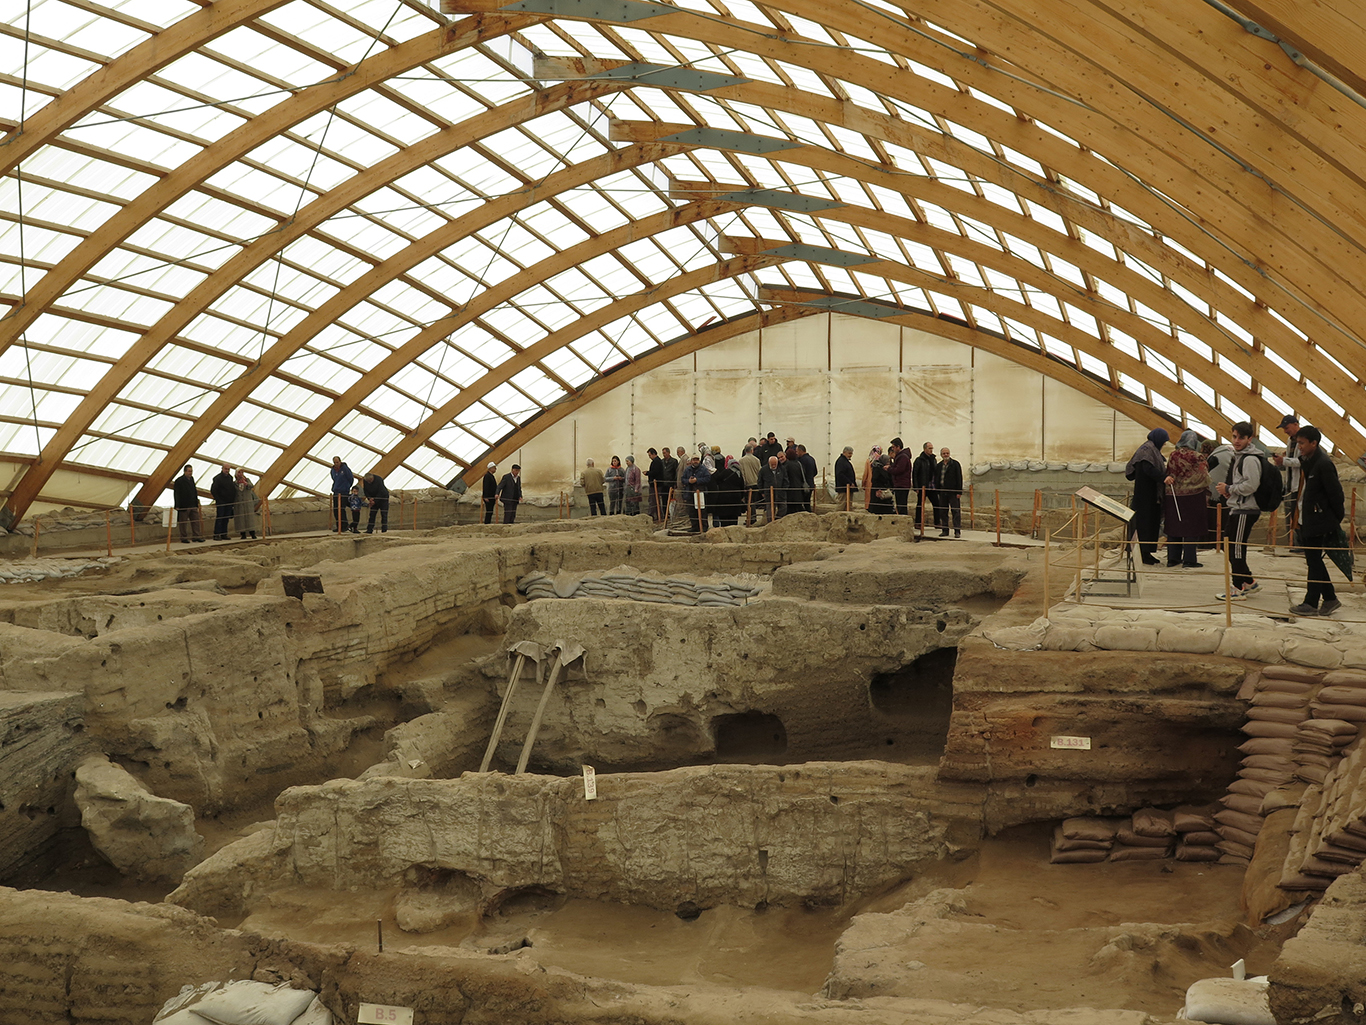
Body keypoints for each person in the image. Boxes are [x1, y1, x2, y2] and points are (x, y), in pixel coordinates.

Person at [1289, 426, 1344, 617]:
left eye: (1302, 443)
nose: (1299, 447)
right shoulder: (1309, 461)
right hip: (1309, 518)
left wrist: (1335, 518)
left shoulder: (1323, 464)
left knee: (1314, 561)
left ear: (1314, 443)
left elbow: (1336, 494)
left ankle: (1311, 602)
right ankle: (1329, 598)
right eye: (1298, 443)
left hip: (1319, 520)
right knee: (1313, 561)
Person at [1214, 421, 1262, 601]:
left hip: (1246, 509)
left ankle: (1237, 587)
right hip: (1239, 507)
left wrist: (1230, 488)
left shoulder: (1249, 459)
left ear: (1250, 439)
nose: (1237, 440)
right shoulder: (1240, 456)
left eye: (1241, 437)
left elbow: (1251, 484)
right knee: (1230, 545)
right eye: (1234, 436)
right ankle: (1248, 581)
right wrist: (1230, 492)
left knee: (1236, 549)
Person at [1162, 430, 1209, 567]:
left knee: (1174, 526)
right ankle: (1189, 560)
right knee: (1191, 527)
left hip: (1173, 496)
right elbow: (1205, 476)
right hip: (1193, 497)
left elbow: (1169, 472)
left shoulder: (1173, 455)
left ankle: (1173, 559)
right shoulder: (1197, 456)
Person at [1126, 428, 1169, 565]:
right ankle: (1142, 554)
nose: (1164, 445)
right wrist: (1164, 478)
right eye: (1164, 441)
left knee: (1151, 524)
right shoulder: (1146, 450)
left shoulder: (1151, 449)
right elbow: (1148, 469)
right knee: (1144, 524)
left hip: (1151, 495)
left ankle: (1147, 553)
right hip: (1144, 496)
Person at [1272, 414, 1301, 543]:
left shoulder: (1303, 440)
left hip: (1299, 484)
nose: (1285, 431)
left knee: (1297, 515)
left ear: (1296, 425)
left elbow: (1301, 461)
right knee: (1289, 514)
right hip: (1290, 484)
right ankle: (1293, 542)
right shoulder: (1290, 440)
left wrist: (1284, 460)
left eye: (1287, 427)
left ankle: (1300, 543)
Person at [934, 447, 964, 537]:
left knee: (955, 511)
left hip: (953, 492)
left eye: (947, 453)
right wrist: (937, 489)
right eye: (944, 453)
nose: (946, 455)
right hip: (942, 492)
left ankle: (957, 531)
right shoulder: (939, 466)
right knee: (943, 512)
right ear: (941, 455)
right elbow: (937, 478)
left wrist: (959, 492)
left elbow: (959, 478)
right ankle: (945, 530)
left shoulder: (955, 464)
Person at [172, 464, 204, 543]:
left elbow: (194, 491)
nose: (190, 473)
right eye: (189, 471)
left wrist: (196, 502)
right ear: (185, 471)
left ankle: (196, 536)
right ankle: (183, 537)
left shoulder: (192, 479)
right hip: (184, 505)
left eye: (191, 471)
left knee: (195, 521)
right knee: (183, 522)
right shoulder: (179, 481)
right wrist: (177, 505)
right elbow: (177, 493)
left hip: (192, 504)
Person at [682, 454, 711, 532]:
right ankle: (694, 527)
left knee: (702, 511)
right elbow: (683, 479)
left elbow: (708, 478)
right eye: (694, 459)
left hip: (700, 493)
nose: (695, 461)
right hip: (690, 493)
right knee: (692, 511)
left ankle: (704, 527)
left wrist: (697, 480)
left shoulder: (703, 469)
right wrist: (689, 481)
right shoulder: (687, 470)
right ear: (691, 461)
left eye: (697, 459)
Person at [912, 442, 937, 532]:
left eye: (932, 448)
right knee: (920, 504)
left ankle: (937, 523)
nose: (931, 450)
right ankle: (918, 522)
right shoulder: (919, 460)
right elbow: (915, 474)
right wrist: (916, 487)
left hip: (932, 486)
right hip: (923, 486)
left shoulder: (933, 459)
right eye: (929, 448)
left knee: (936, 504)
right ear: (925, 449)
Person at [210, 464, 236, 540]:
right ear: (222, 468)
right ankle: (216, 534)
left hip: (229, 502)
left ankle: (224, 534)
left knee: (226, 518)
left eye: (228, 469)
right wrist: (218, 499)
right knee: (220, 517)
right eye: (225, 469)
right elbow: (214, 490)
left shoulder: (230, 478)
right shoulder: (217, 478)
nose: (227, 470)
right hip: (221, 502)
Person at [738, 444, 762, 525]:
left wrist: (743, 485)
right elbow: (760, 472)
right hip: (756, 483)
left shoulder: (742, 460)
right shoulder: (757, 460)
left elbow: (743, 473)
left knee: (749, 502)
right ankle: (752, 517)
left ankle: (751, 518)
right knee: (753, 502)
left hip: (748, 484)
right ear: (752, 450)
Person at [233, 469, 260, 539]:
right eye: (239, 472)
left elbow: (251, 486)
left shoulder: (247, 480)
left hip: (247, 503)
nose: (240, 474)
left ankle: (252, 533)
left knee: (249, 519)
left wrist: (246, 483)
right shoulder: (234, 483)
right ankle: (243, 534)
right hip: (239, 504)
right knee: (241, 519)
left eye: (242, 472)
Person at [888, 438, 912, 517]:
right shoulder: (901, 456)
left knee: (901, 505)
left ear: (898, 447)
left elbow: (899, 470)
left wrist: (889, 468)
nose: (893, 449)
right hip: (900, 484)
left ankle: (904, 522)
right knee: (900, 505)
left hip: (902, 484)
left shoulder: (903, 457)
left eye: (893, 447)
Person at [329, 456, 353, 532]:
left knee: (342, 509)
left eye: (337, 462)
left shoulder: (345, 469)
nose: (336, 464)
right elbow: (334, 479)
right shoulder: (333, 470)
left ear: (340, 461)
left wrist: (346, 487)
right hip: (336, 491)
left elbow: (350, 478)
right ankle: (338, 526)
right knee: (336, 510)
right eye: (334, 462)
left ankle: (344, 526)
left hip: (344, 492)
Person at [758, 455, 786, 521]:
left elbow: (785, 480)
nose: (773, 466)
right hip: (768, 493)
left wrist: (784, 489)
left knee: (783, 508)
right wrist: (762, 491)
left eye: (775, 464)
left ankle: (778, 520)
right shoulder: (763, 470)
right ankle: (770, 523)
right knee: (770, 511)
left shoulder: (782, 469)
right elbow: (760, 481)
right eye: (772, 464)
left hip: (780, 493)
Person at [797, 445, 817, 512]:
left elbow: (801, 473)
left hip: (804, 485)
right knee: (807, 502)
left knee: (802, 502)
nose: (796, 453)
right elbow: (815, 471)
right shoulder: (812, 459)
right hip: (811, 483)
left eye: (797, 451)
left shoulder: (801, 460)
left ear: (800, 451)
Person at [645, 448, 664, 519]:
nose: (649, 457)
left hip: (656, 485)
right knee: (655, 500)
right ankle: (658, 515)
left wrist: (647, 473)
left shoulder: (657, 462)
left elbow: (655, 472)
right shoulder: (656, 461)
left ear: (653, 454)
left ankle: (651, 515)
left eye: (650, 455)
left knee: (653, 500)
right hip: (654, 484)